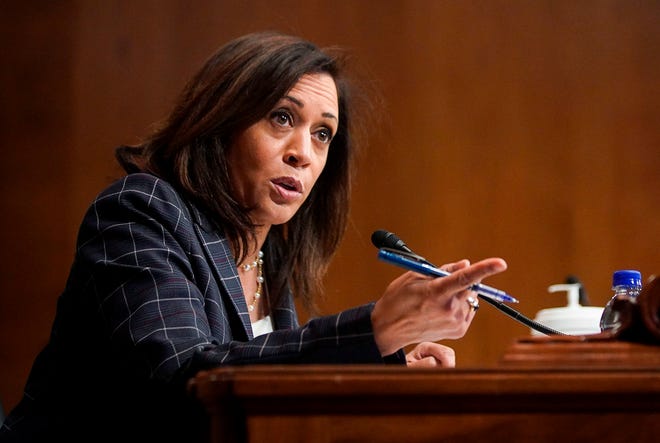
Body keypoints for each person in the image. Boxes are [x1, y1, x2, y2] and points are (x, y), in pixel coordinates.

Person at [0, 32, 507, 442]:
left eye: (322, 133)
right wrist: (374, 331)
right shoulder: (139, 212)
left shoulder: (264, 255)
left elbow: (269, 389)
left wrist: (388, 364)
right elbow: (186, 381)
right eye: (282, 118)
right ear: (220, 123)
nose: (303, 152)